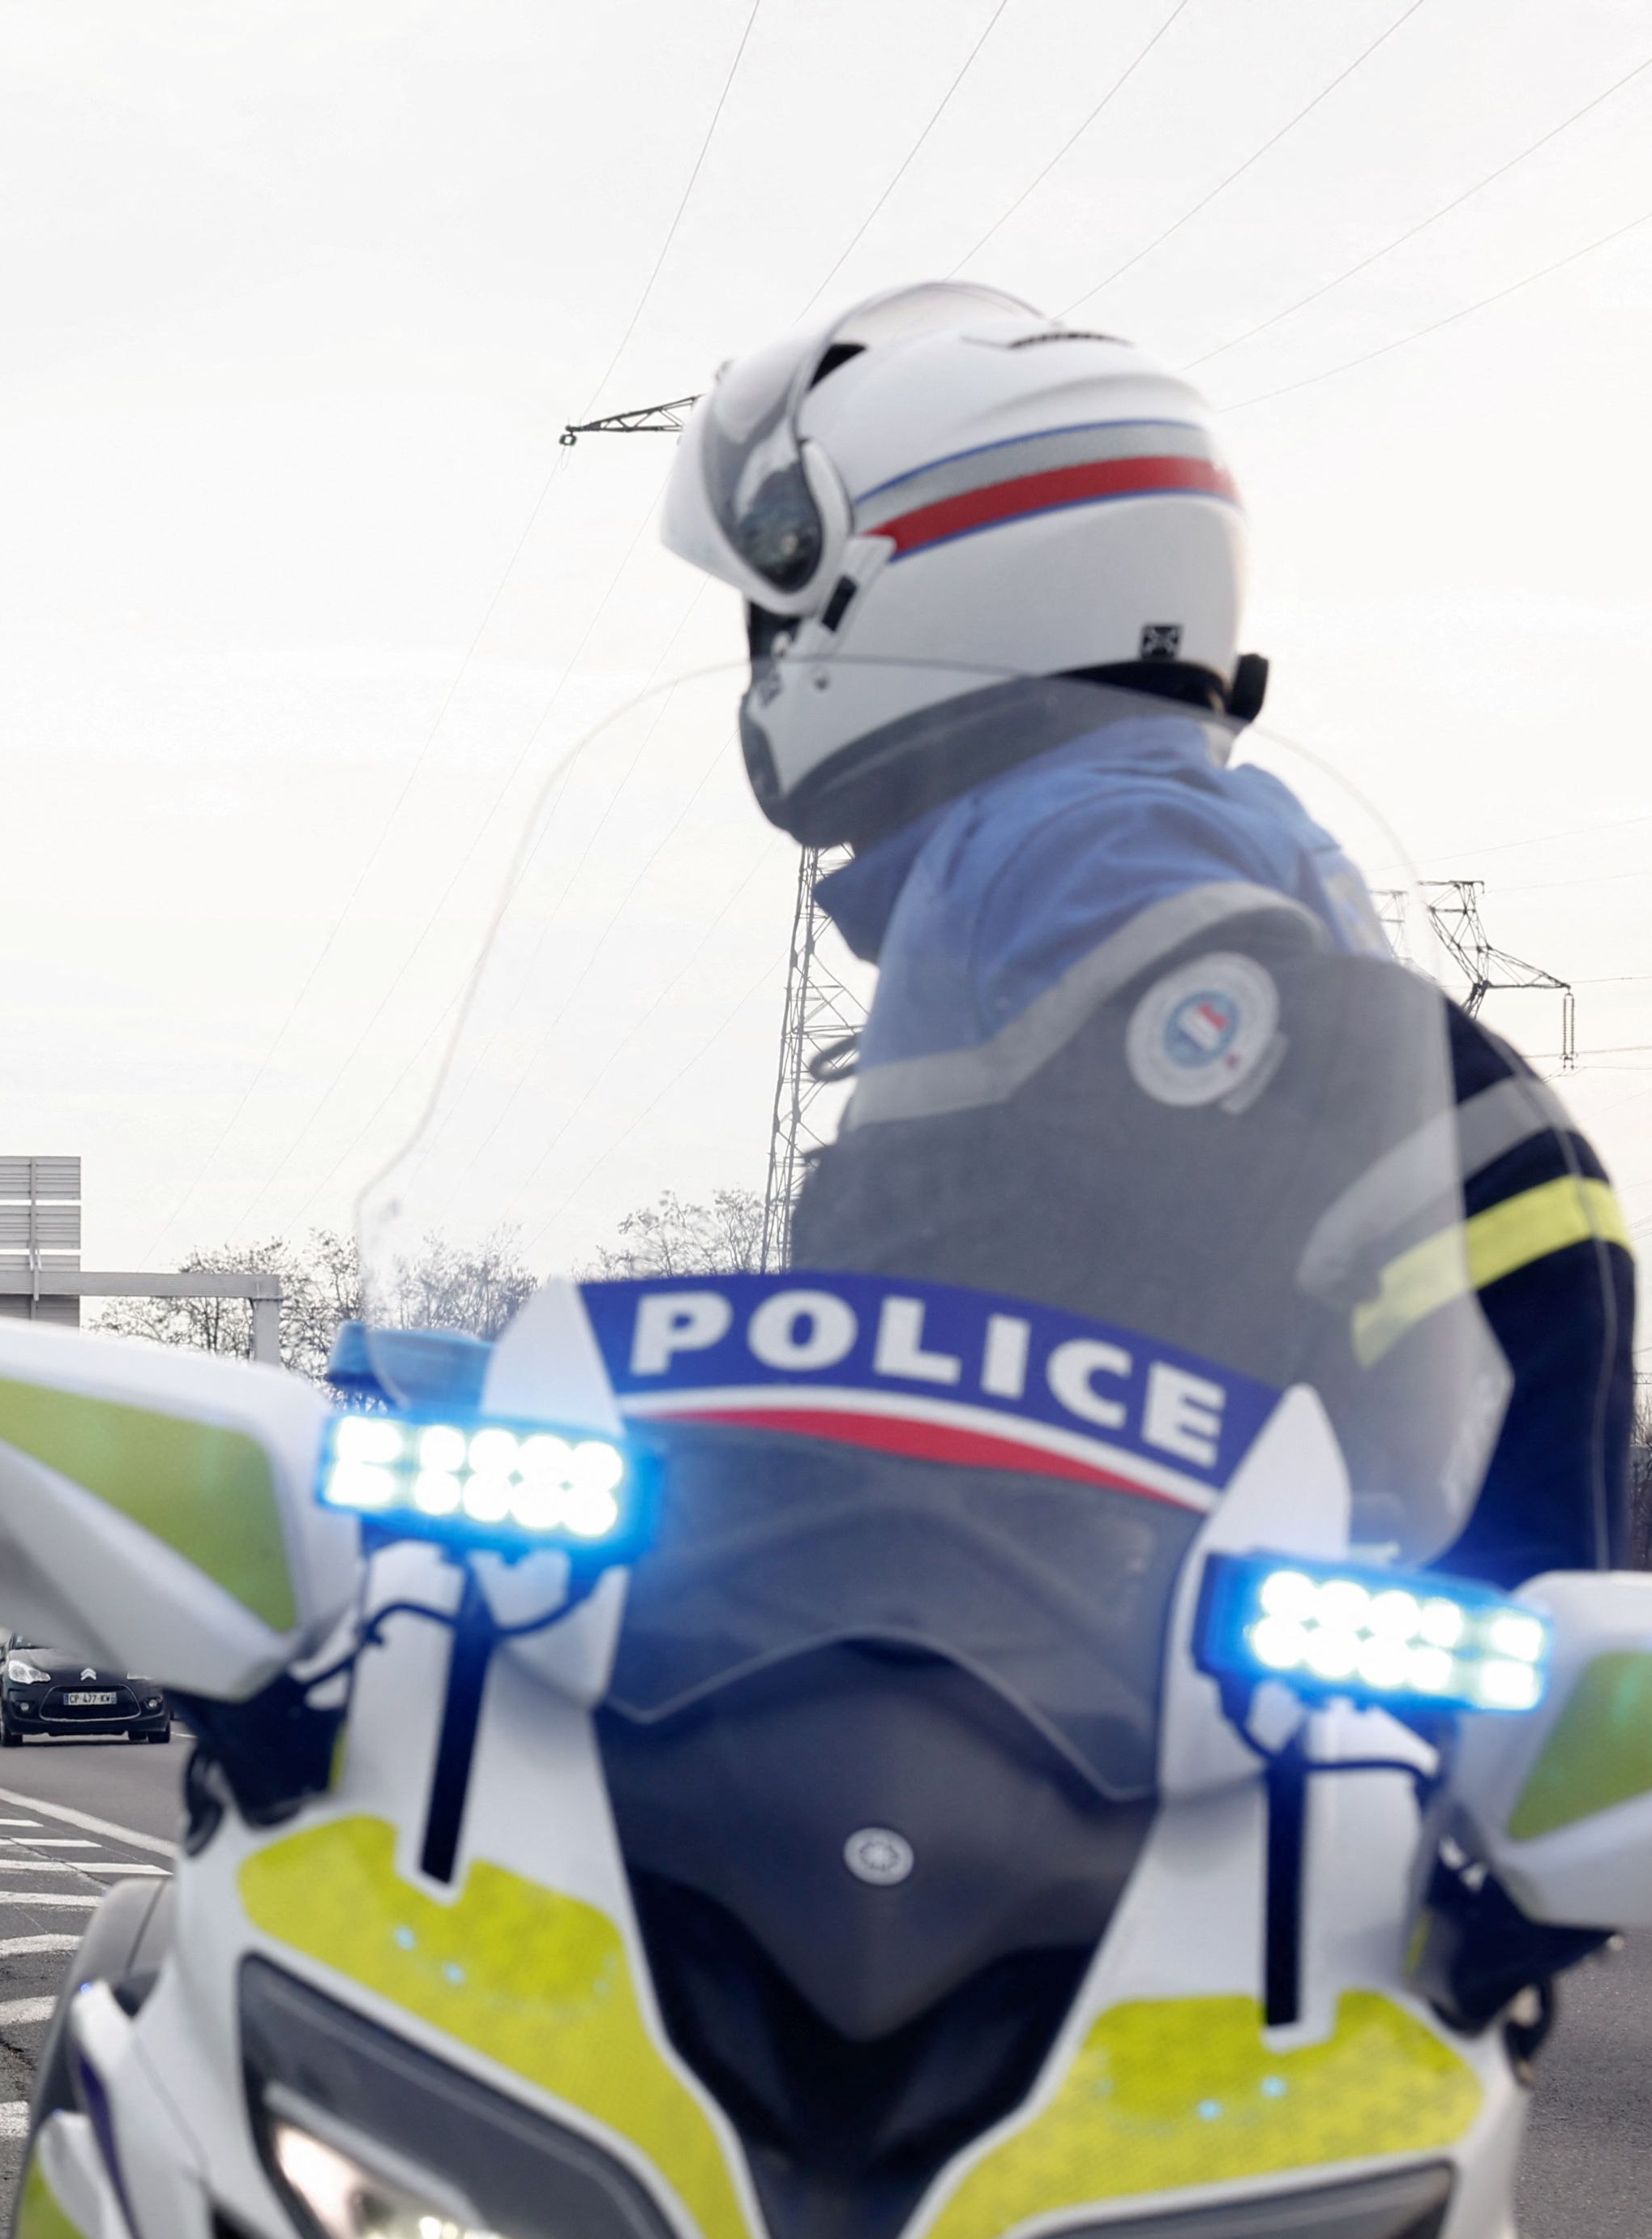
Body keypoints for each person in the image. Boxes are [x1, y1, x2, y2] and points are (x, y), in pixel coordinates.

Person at [661, 281, 1629, 1582]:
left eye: (774, 616)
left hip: (1047, 1635)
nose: (765, 664)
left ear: (921, 578)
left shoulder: (1061, 847)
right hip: (1180, 1613)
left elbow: (964, 1291)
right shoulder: (1169, 826)